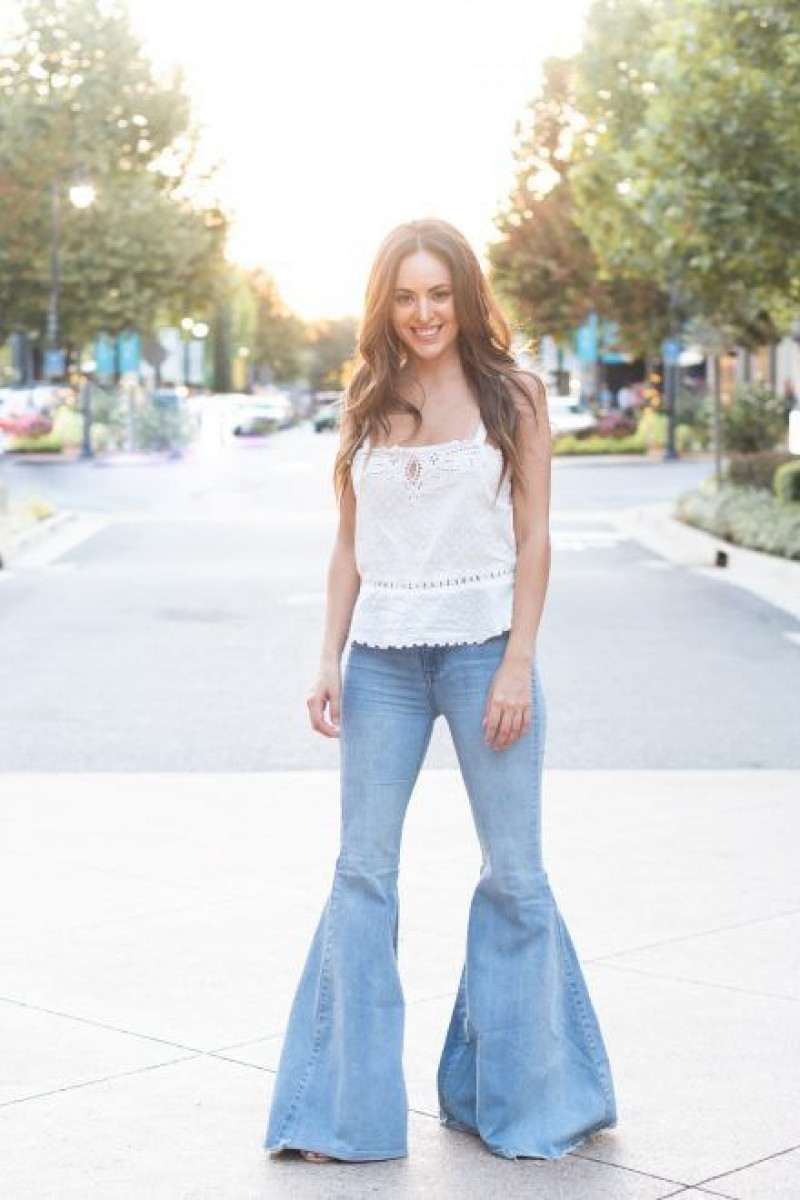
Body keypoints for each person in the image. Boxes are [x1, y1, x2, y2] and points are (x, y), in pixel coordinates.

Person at [263, 217, 618, 1164]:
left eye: (439, 294)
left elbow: (535, 538)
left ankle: (526, 1102)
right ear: (387, 304)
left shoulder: (515, 394)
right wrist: (326, 656)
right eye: (406, 296)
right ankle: (345, 1117)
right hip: (381, 656)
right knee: (362, 874)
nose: (423, 314)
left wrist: (517, 661)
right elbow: (349, 545)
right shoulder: (368, 399)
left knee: (516, 873)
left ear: (465, 296)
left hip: (484, 654)